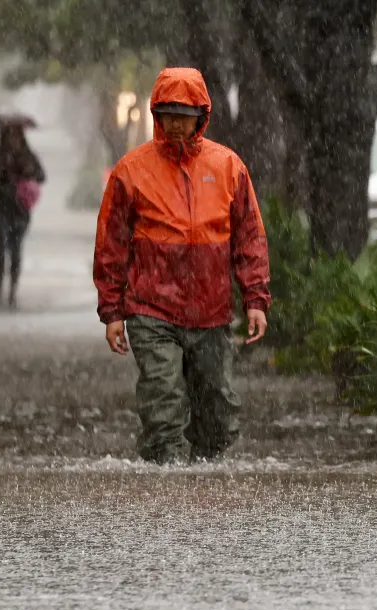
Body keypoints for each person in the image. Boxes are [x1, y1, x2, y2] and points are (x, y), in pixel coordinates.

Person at [93, 67, 271, 465]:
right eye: (168, 114)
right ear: (156, 114)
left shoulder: (228, 168)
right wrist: (112, 312)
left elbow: (249, 237)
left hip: (210, 312)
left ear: (201, 116)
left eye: (184, 114)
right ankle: (166, 478)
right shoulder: (130, 171)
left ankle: (202, 471)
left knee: (218, 412)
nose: (175, 124)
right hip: (150, 309)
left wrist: (255, 298)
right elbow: (112, 245)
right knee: (162, 401)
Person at [0, 123, 46, 308]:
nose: (11, 139)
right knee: (0, 245)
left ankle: (13, 290)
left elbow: (41, 176)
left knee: (16, 248)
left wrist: (28, 171)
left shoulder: (28, 157)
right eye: (8, 135)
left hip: (19, 211)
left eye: (15, 135)